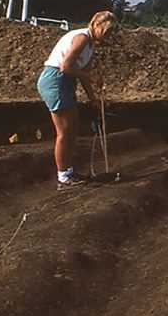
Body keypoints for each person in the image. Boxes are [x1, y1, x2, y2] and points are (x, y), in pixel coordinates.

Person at [37, 11, 118, 189]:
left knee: (72, 129)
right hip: (56, 80)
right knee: (65, 131)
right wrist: (92, 78)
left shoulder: (90, 45)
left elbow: (83, 75)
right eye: (107, 31)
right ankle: (64, 176)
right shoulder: (81, 38)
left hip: (65, 82)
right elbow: (65, 66)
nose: (109, 35)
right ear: (96, 25)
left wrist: (93, 98)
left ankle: (68, 172)